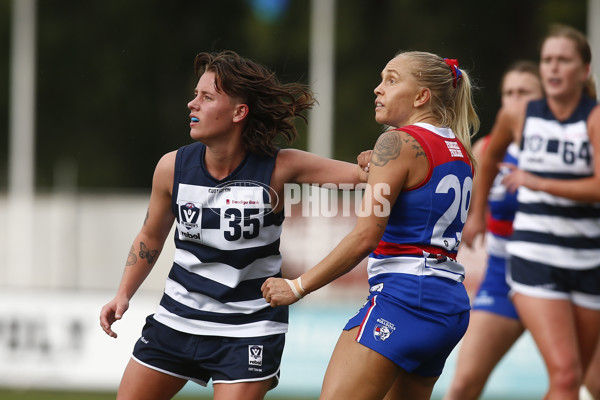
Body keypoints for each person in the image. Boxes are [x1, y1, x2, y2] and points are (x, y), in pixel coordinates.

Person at [99, 50, 368, 400]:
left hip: (250, 328)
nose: (191, 104)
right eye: (195, 95)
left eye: (206, 97)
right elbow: (150, 236)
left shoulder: (280, 168)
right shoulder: (172, 168)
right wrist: (123, 294)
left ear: (239, 112)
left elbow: (364, 176)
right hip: (176, 320)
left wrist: (376, 157)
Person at [262, 50, 479, 400]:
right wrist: (378, 163)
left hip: (406, 298)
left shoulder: (396, 142)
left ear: (422, 96)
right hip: (449, 304)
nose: (378, 89)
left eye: (391, 80)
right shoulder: (460, 150)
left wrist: (298, 286)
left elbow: (365, 236)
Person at [462, 24, 600, 399]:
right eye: (547, 61)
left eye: (564, 61)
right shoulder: (518, 117)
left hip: (587, 261)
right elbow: (487, 160)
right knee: (565, 374)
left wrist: (538, 182)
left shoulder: (594, 119)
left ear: (584, 70)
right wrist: (476, 215)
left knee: (578, 381)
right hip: (529, 258)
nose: (554, 68)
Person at [443, 61, 543, 400]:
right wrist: (475, 216)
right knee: (461, 386)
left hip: (557, 277)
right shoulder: (487, 150)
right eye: (508, 93)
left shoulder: (570, 143)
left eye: (524, 93)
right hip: (502, 279)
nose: (514, 100)